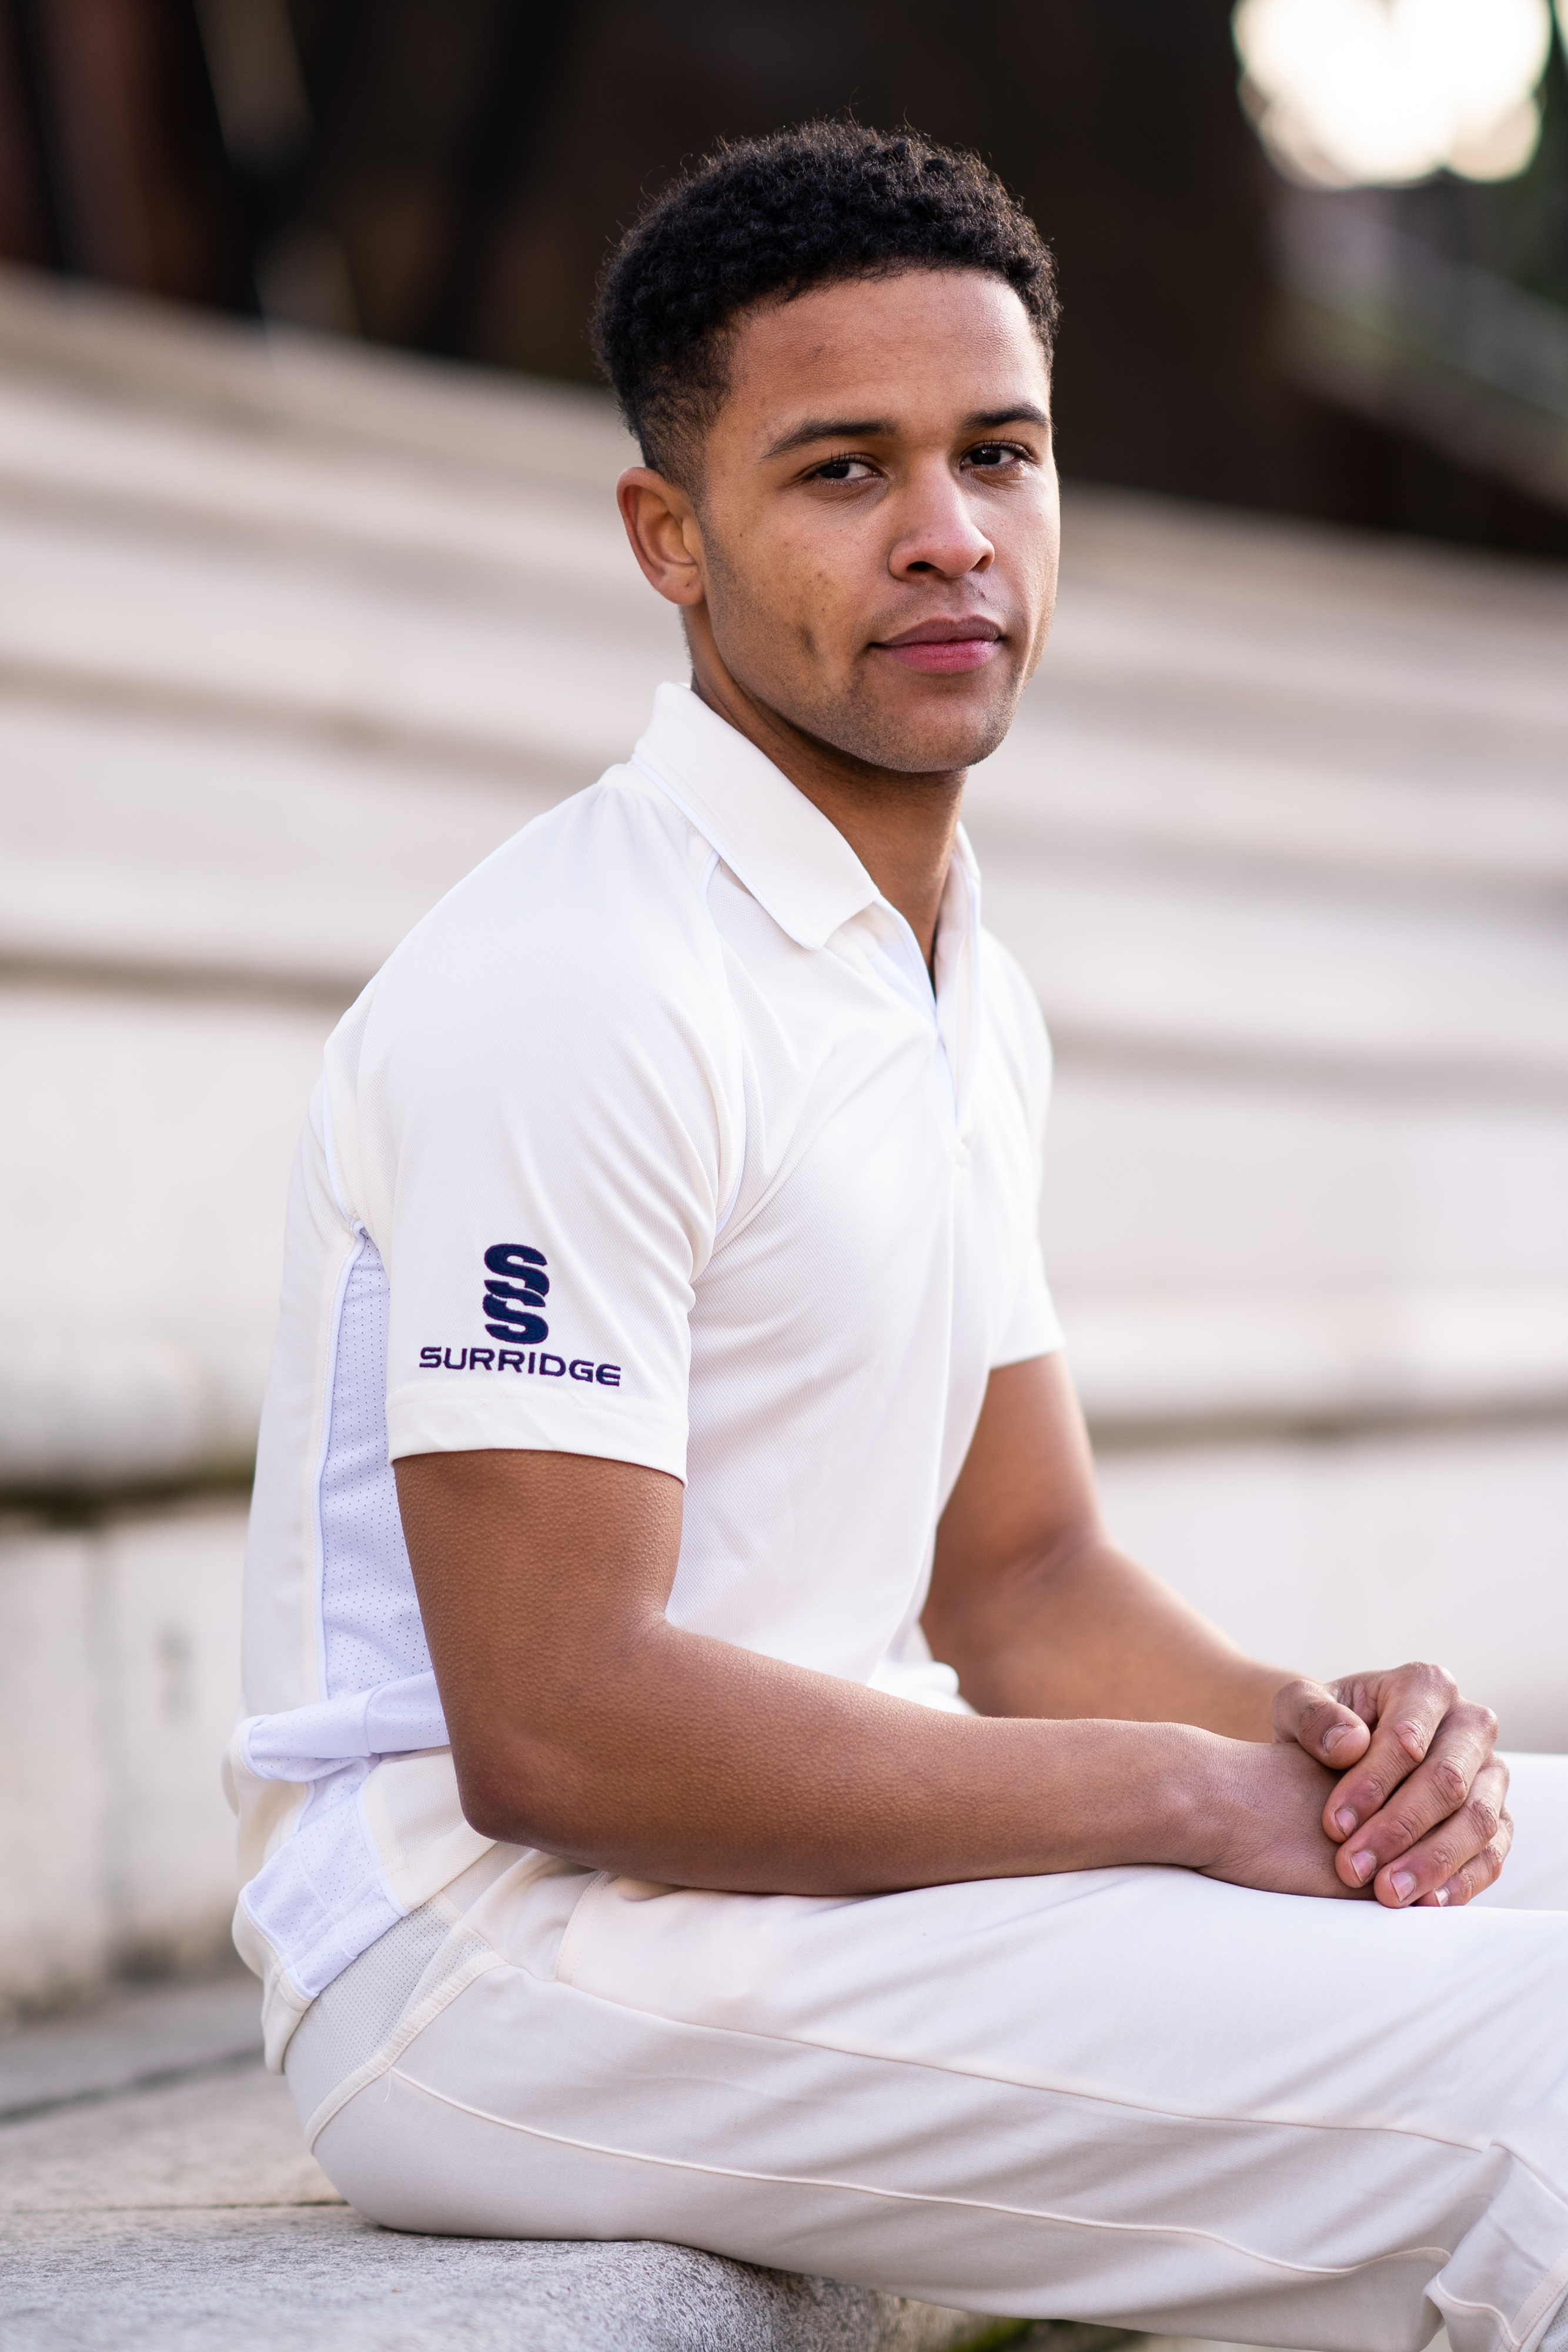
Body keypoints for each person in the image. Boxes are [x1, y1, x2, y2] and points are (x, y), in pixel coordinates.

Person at [227, 123, 1568, 2352]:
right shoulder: (574, 985)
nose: (949, 534)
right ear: (668, 535)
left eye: (997, 454)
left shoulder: (944, 974)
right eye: (842, 469)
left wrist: (1328, 1744)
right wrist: (1176, 1796)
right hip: (500, 1957)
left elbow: (1021, 1578)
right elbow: (556, 1731)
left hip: (825, 1881)